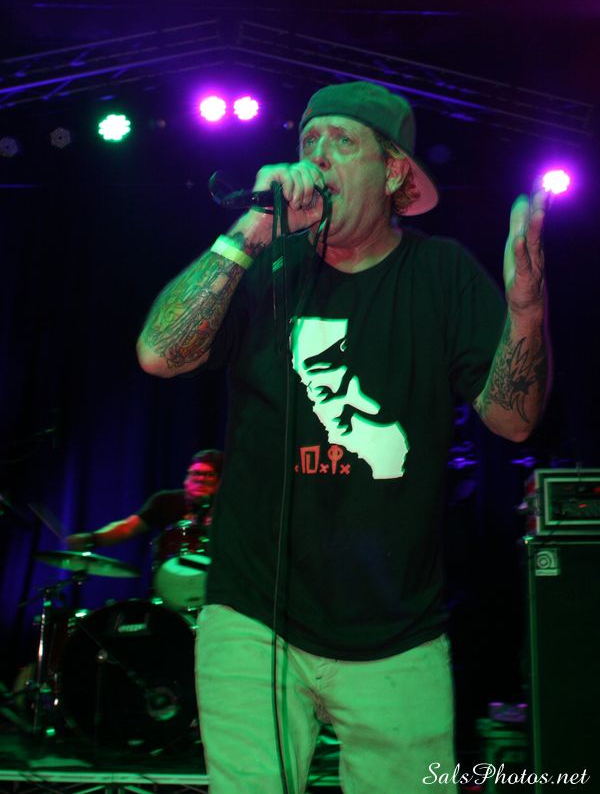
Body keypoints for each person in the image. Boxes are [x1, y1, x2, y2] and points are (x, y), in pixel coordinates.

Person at [136, 81, 550, 793]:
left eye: (343, 141)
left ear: (393, 173)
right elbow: (159, 354)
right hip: (253, 616)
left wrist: (526, 306)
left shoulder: (441, 273)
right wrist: (251, 231)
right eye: (309, 140)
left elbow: (512, 419)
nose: (317, 156)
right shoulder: (266, 268)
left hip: (397, 628)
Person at [65, 449, 223, 549]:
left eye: (209, 475)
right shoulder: (165, 501)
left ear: (221, 481)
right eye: (196, 473)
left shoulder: (229, 507)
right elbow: (127, 527)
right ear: (186, 478)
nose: (201, 479)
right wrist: (93, 539)